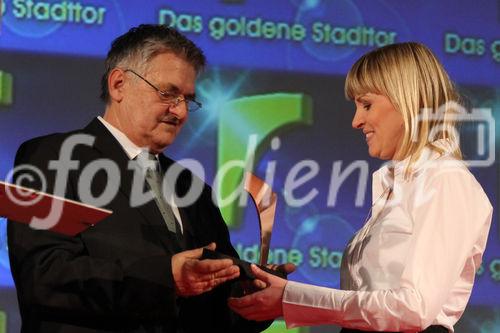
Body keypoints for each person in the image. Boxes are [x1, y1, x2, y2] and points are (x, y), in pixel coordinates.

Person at [7, 24, 275, 332]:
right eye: (168, 93)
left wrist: (251, 297)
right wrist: (165, 279)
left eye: (188, 99)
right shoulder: (51, 156)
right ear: (119, 84)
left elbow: (214, 313)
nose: (181, 112)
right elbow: (42, 276)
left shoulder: (192, 187)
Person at [228, 42, 493, 333]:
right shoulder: (395, 184)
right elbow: (370, 302)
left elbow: (414, 309)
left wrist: (292, 298)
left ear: (409, 101)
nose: (356, 121)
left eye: (366, 104)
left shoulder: (445, 179)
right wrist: (281, 293)